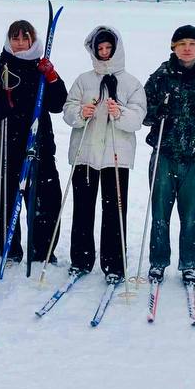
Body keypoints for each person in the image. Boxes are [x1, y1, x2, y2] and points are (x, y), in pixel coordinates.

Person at [142, 25, 195, 286]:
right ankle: (158, 261)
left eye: (192, 43)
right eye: (182, 44)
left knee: (191, 215)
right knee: (160, 213)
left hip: (194, 156)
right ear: (174, 47)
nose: (187, 48)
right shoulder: (160, 76)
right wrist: (158, 112)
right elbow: (143, 113)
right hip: (165, 153)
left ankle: (189, 263)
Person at [61, 26, 146, 285]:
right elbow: (68, 109)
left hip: (116, 156)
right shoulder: (84, 80)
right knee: (82, 209)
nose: (105, 52)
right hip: (85, 155)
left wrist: (120, 113)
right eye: (100, 48)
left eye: (109, 48)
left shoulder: (131, 83)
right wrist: (80, 113)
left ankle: (114, 263)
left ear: (117, 49)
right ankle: (81, 259)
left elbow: (138, 118)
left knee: (114, 212)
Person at [0, 19, 67, 270]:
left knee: (46, 198)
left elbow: (58, 104)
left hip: (38, 143)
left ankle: (43, 250)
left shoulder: (41, 67)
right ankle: (10, 249)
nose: (20, 43)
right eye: (15, 38)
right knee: (6, 198)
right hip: (5, 146)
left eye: (25, 38)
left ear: (33, 40)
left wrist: (51, 78)